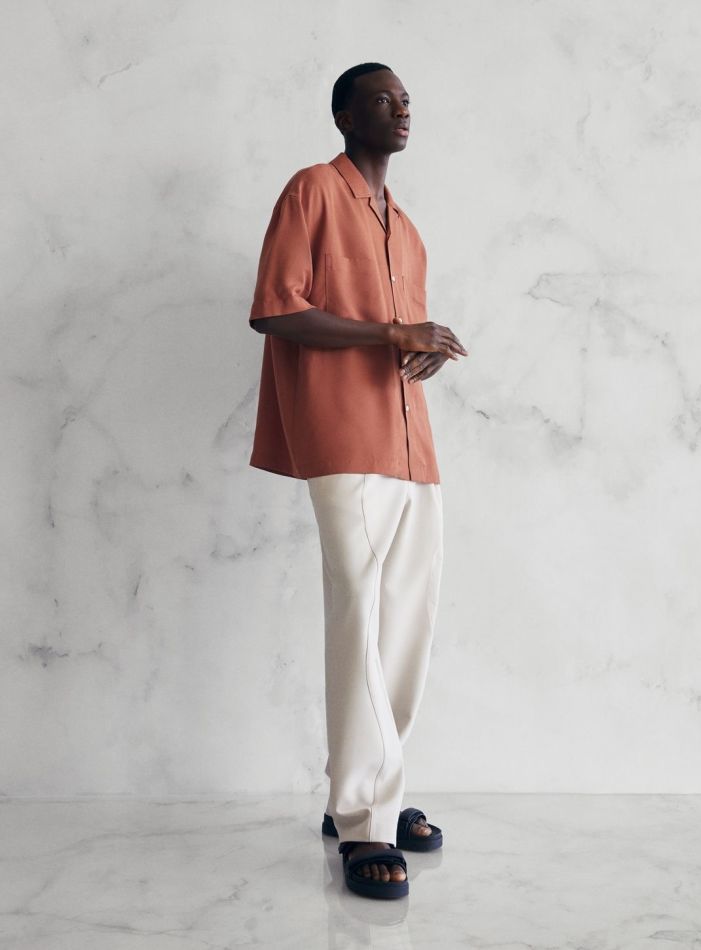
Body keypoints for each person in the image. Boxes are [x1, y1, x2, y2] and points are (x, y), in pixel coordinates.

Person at [248, 62, 468, 900]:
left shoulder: (405, 227)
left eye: (406, 99)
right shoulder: (312, 190)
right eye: (382, 98)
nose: (401, 109)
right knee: (361, 615)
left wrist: (419, 349)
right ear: (344, 115)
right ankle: (365, 822)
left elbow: (398, 338)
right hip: (343, 433)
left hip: (413, 442)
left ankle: (374, 791)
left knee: (408, 621)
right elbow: (278, 307)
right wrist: (390, 332)